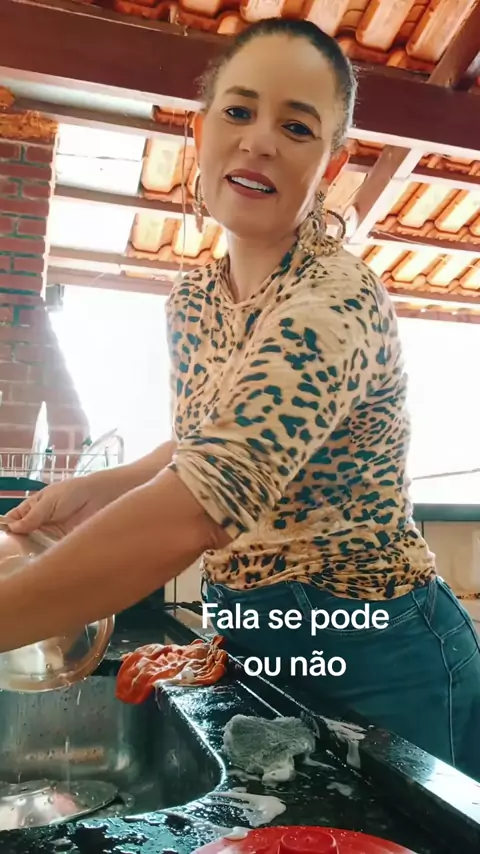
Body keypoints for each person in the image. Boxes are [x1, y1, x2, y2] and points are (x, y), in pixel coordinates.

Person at [4, 19, 480, 782]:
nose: (260, 141)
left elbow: (203, 503)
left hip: (381, 653)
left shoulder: (335, 301)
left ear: (332, 163)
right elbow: (210, 441)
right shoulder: (192, 302)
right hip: (250, 632)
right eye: (238, 111)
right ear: (200, 131)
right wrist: (99, 489)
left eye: (297, 127)